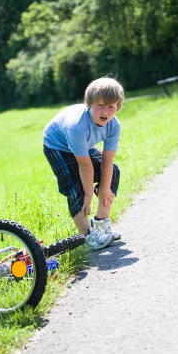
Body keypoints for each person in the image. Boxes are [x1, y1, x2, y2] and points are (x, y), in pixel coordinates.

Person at [43, 77, 124, 250]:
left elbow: (108, 160)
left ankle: (101, 225)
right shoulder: (77, 126)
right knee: (75, 186)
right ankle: (88, 237)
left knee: (112, 174)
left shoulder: (114, 126)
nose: (105, 111)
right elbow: (84, 166)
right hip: (57, 145)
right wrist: (88, 193)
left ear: (118, 107)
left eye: (111, 106)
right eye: (100, 105)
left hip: (81, 144)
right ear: (88, 104)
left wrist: (104, 187)